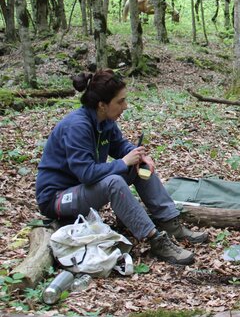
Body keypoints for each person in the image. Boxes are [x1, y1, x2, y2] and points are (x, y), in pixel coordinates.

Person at [35, 69, 208, 266]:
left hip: (84, 190)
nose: (125, 106)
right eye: (120, 101)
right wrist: (124, 162)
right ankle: (155, 240)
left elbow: (119, 146)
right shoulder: (77, 126)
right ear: (102, 105)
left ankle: (170, 222)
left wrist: (139, 156)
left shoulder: (105, 121)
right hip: (57, 198)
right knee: (114, 181)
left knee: (138, 166)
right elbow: (86, 173)